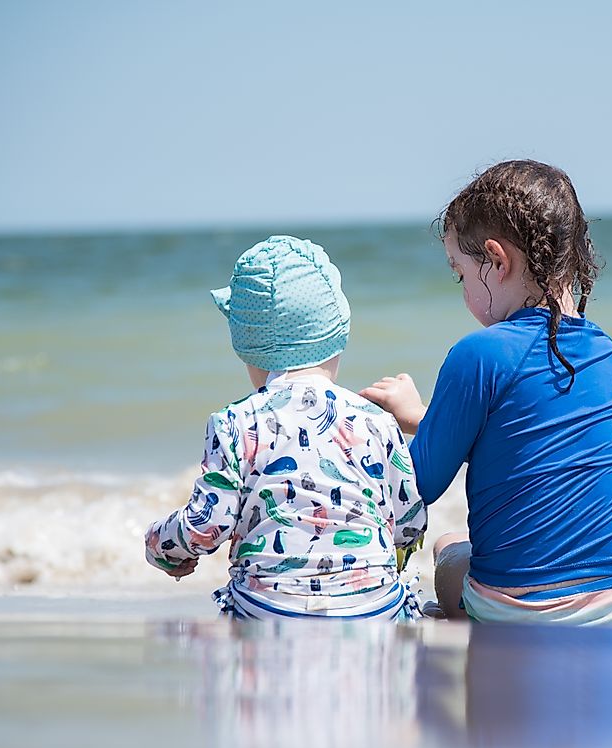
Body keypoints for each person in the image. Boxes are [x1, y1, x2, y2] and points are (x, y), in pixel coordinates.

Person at [362, 160, 612, 625]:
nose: (462, 291)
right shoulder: (605, 351)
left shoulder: (478, 354)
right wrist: (426, 415)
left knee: (448, 549)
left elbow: (417, 486)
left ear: (497, 261)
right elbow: (529, 441)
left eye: (461, 273)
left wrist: (390, 425)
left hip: (511, 614)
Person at [145, 235, 428, 620]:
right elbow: (409, 523)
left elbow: (205, 525)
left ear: (246, 347)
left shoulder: (234, 423)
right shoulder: (377, 420)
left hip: (270, 611)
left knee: (202, 637)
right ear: (338, 331)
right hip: (371, 611)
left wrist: (159, 546)